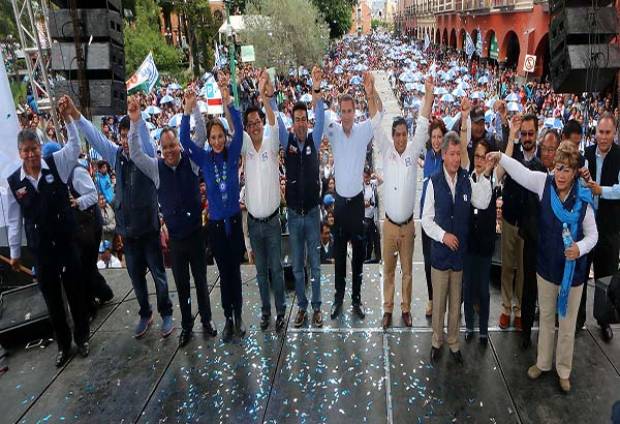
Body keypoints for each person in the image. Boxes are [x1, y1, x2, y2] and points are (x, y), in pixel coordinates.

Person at [487, 141, 598, 392]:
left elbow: (593, 235)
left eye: (566, 170)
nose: (560, 174)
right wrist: (501, 158)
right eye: (558, 168)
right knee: (546, 319)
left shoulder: (582, 199)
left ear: (574, 173)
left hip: (573, 276)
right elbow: (521, 173)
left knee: (567, 326)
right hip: (546, 269)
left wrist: (579, 248)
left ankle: (564, 371)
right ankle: (543, 363)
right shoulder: (543, 183)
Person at [69, 96, 174, 339]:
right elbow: (94, 136)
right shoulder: (115, 155)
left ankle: (166, 311)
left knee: (159, 275)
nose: (127, 140)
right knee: (136, 278)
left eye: (131, 135)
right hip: (127, 232)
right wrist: (76, 114)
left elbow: (143, 139)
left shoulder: (146, 154)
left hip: (148, 229)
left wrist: (137, 120)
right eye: (124, 135)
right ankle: (145, 313)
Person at [127, 94, 217, 347]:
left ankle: (207, 320)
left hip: (196, 235)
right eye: (164, 147)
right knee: (183, 286)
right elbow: (134, 154)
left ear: (179, 145)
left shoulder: (192, 162)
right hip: (176, 240)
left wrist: (194, 108)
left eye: (172, 145)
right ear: (160, 149)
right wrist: (135, 122)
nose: (168, 150)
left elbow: (200, 134)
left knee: (201, 282)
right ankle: (187, 325)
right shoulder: (156, 168)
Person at [6, 95, 90, 367]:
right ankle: (63, 346)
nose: (31, 154)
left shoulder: (56, 163)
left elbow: (75, 145)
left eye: (34, 149)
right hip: (41, 249)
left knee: (76, 293)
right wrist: (16, 253)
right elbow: (13, 220)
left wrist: (69, 119)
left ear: (40, 148)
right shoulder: (13, 182)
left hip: (65, 242)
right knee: (53, 301)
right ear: (20, 152)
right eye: (26, 151)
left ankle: (83, 338)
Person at [179, 73, 246, 342]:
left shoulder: (232, 156)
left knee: (235, 271)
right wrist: (187, 110)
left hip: (233, 222)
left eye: (220, 136)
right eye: (213, 137)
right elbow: (184, 140)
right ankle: (227, 316)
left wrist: (228, 102)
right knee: (223, 272)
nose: (217, 141)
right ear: (208, 139)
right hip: (217, 227)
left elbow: (239, 130)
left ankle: (238, 315)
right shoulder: (205, 159)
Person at [422, 131, 492, 365]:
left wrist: (484, 175)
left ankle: (453, 342)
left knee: (455, 304)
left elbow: (482, 202)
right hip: (441, 256)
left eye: (458, 154)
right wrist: (444, 236)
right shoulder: (433, 181)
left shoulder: (466, 179)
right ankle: (436, 341)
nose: (455, 159)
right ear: (443, 155)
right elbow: (426, 220)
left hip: (459, 257)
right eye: (451, 154)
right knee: (439, 303)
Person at [325, 72, 383, 320]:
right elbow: (318, 118)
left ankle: (356, 299)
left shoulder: (362, 130)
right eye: (344, 111)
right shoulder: (334, 131)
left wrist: (370, 93)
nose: (347, 115)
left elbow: (379, 117)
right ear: (340, 113)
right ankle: (338, 298)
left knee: (358, 256)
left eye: (350, 111)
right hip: (340, 204)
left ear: (355, 112)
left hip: (358, 203)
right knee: (339, 255)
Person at [377, 76, 433, 329]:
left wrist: (429, 93)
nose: (400, 139)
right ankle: (387, 309)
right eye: (397, 135)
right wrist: (370, 94)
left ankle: (406, 308)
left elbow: (423, 123)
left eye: (403, 135)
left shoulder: (412, 152)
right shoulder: (386, 152)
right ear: (392, 136)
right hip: (389, 226)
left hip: (409, 226)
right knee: (388, 271)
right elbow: (375, 125)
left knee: (408, 272)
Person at [274, 67, 325, 328]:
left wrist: (316, 88)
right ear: (292, 121)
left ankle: (316, 308)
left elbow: (323, 115)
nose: (302, 122)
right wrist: (268, 96)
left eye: (305, 118)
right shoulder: (287, 140)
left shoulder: (315, 139)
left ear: (308, 120)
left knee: (315, 266)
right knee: (297, 267)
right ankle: (302, 307)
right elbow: (273, 117)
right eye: (297, 118)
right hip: (294, 216)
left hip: (313, 213)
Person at [42, 142, 114, 319]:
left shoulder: (76, 172)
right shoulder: (55, 174)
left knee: (84, 267)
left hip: (89, 225)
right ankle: (104, 293)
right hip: (76, 226)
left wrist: (77, 202)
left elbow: (92, 196)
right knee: (86, 266)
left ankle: (90, 306)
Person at [240, 70, 287, 332]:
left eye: (258, 122)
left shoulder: (271, 143)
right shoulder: (246, 147)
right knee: (260, 274)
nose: (256, 126)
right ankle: (266, 312)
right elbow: (234, 128)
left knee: (277, 271)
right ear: (248, 129)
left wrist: (264, 98)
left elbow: (273, 125)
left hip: (271, 222)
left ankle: (281, 311)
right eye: (251, 124)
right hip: (254, 224)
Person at [497, 113, 539, 330]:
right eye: (524, 133)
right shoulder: (513, 153)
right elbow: (501, 169)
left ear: (537, 134)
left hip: (529, 225)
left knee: (524, 269)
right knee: (507, 266)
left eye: (531, 133)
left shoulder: (541, 161)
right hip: (510, 218)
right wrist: (511, 134)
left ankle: (520, 308)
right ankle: (505, 306)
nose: (527, 137)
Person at [583, 112, 620, 342]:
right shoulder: (586, 154)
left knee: (605, 277)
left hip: (609, 228)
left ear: (614, 133)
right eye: (600, 132)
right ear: (595, 132)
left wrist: (601, 191)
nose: (603, 137)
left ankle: (603, 320)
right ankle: (576, 319)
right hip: (586, 225)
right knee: (580, 272)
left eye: (608, 132)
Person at [463, 138, 497, 346]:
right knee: (468, 287)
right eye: (476, 155)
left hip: (484, 245)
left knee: (483, 289)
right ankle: (469, 326)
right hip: (468, 243)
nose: (479, 160)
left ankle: (483, 330)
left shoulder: (494, 179)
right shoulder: (468, 178)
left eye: (484, 156)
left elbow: (483, 202)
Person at [419, 118, 447, 318]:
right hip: (425, 218)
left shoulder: (448, 159)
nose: (436, 140)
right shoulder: (428, 156)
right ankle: (431, 299)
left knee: (443, 262)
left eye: (440, 137)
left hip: (442, 219)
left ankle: (446, 300)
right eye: (434, 137)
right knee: (428, 260)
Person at [362, 168, 381, 263]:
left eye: (368, 177)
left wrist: (375, 175)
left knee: (373, 237)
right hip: (364, 216)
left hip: (373, 216)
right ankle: (365, 257)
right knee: (365, 238)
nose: (366, 179)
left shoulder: (373, 184)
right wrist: (364, 204)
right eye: (365, 177)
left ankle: (373, 257)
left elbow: (381, 180)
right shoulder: (360, 186)